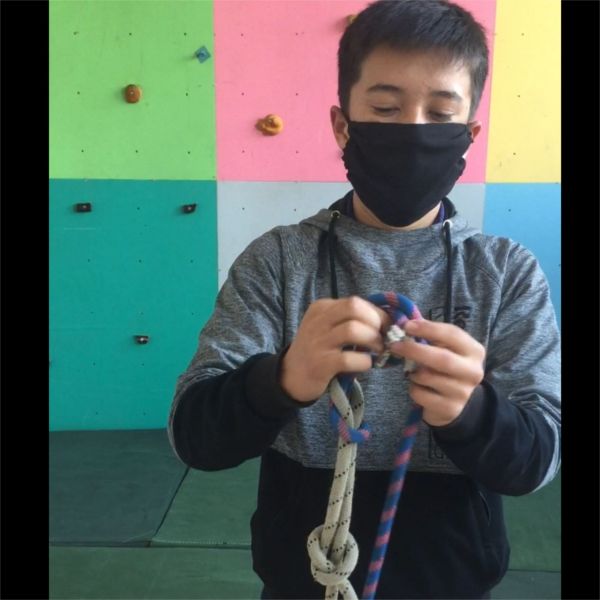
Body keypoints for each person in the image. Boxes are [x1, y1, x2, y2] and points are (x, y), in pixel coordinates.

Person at [167, 1, 561, 598]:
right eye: (385, 108)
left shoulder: (506, 273)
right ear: (342, 125)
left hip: (452, 577)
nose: (412, 131)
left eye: (440, 113)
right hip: (304, 577)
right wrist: (281, 380)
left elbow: (538, 459)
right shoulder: (279, 261)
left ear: (468, 135)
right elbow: (193, 435)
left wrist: (472, 413)